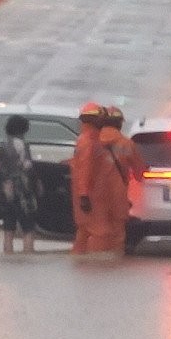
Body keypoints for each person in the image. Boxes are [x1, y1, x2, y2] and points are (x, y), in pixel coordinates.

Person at [94, 106, 146, 255]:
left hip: (94, 194)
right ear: (120, 123)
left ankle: (95, 260)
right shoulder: (126, 144)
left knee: (94, 230)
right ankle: (115, 261)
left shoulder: (90, 142)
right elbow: (140, 173)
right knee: (117, 231)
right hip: (117, 194)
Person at [0, 114, 39, 254]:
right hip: (22, 192)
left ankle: (8, 255)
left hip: (4, 191)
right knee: (28, 228)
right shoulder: (22, 145)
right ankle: (27, 254)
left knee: (8, 229)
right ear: (23, 130)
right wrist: (36, 184)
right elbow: (28, 167)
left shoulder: (1, 146)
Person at [70, 102, 107, 254]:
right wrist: (84, 195)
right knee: (97, 233)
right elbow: (85, 169)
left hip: (89, 195)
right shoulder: (89, 142)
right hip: (91, 197)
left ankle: (81, 261)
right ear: (93, 119)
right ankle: (93, 264)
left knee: (84, 232)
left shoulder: (87, 139)